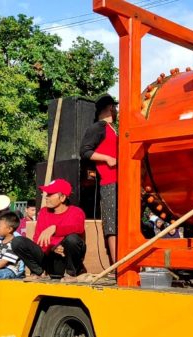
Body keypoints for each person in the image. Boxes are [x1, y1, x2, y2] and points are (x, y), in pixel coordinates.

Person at [13, 179, 86, 282]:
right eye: (46, 194)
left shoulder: (76, 212)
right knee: (17, 241)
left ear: (62, 197)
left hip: (66, 260)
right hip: (50, 259)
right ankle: (37, 272)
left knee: (72, 239)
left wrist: (55, 229)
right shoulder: (43, 212)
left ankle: (71, 274)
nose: (46, 197)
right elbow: (37, 239)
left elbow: (78, 228)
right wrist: (54, 247)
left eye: (50, 194)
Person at [79, 93, 118, 264]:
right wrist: (107, 158)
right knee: (111, 223)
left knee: (120, 221)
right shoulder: (98, 127)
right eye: (115, 108)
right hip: (109, 181)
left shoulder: (113, 129)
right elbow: (85, 151)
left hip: (120, 180)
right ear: (111, 108)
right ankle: (116, 263)